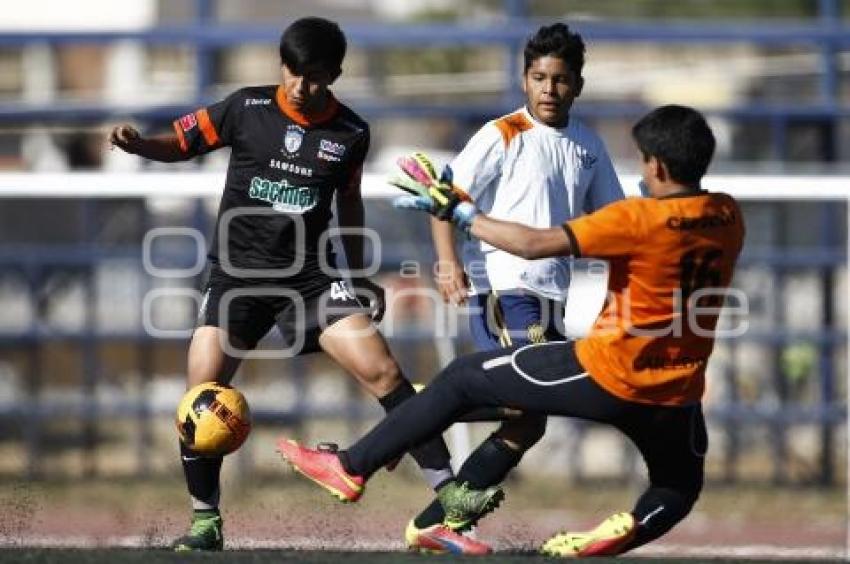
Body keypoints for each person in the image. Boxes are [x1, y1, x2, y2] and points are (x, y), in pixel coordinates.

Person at [278, 104, 745, 557]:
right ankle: (625, 530)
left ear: (657, 166)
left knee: (463, 379)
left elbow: (532, 243)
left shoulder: (639, 219)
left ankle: (352, 466)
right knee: (678, 486)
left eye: (644, 159)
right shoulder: (728, 216)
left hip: (609, 372)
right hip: (677, 392)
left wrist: (461, 214)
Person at [110, 17, 497, 553]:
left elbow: (351, 204)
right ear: (281, 65)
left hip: (310, 279)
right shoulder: (245, 108)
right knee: (200, 395)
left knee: (384, 371)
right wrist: (140, 146)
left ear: (334, 74)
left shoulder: (351, 133)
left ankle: (449, 494)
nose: (299, 86)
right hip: (237, 277)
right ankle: (205, 521)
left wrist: (359, 276)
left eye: (313, 76)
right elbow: (182, 140)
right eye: (292, 72)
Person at [412, 22, 624, 552]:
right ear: (524, 79)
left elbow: (614, 219)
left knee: (529, 420)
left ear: (577, 84)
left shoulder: (588, 146)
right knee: (526, 404)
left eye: (559, 79)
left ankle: (437, 494)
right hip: (505, 288)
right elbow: (445, 195)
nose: (548, 89)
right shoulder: (502, 133)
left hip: (552, 294)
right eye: (539, 77)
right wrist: (446, 263)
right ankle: (426, 423)